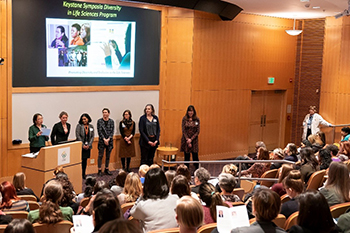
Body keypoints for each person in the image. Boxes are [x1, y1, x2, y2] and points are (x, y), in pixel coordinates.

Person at [130, 167, 179, 232]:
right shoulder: (176, 199)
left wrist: (142, 195)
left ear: (146, 185)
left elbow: (132, 212)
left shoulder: (143, 205)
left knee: (134, 221)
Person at [181, 105, 200, 170]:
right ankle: (186, 170)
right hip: (186, 140)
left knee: (195, 156)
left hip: (194, 141)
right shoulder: (184, 119)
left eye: (191, 111)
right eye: (189, 111)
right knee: (186, 157)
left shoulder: (197, 119)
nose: (190, 112)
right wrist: (187, 139)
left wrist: (191, 139)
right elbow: (183, 130)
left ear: (193, 112)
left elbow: (198, 131)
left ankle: (197, 170)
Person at [76, 113, 94, 179]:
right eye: (83, 119)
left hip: (88, 146)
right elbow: (78, 136)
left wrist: (89, 145)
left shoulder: (91, 126)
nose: (84, 120)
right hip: (81, 146)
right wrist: (83, 145)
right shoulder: (79, 126)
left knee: (85, 160)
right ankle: (79, 173)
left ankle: (84, 173)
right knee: (81, 160)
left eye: (85, 119)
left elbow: (92, 136)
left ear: (88, 119)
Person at [97, 108, 114, 176]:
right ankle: (99, 170)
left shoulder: (111, 121)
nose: (104, 114)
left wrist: (108, 139)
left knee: (108, 155)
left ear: (108, 113)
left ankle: (107, 169)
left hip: (109, 141)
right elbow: (99, 131)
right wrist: (104, 139)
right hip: (102, 141)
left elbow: (112, 131)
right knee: (100, 155)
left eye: (106, 112)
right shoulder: (99, 121)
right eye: (103, 112)